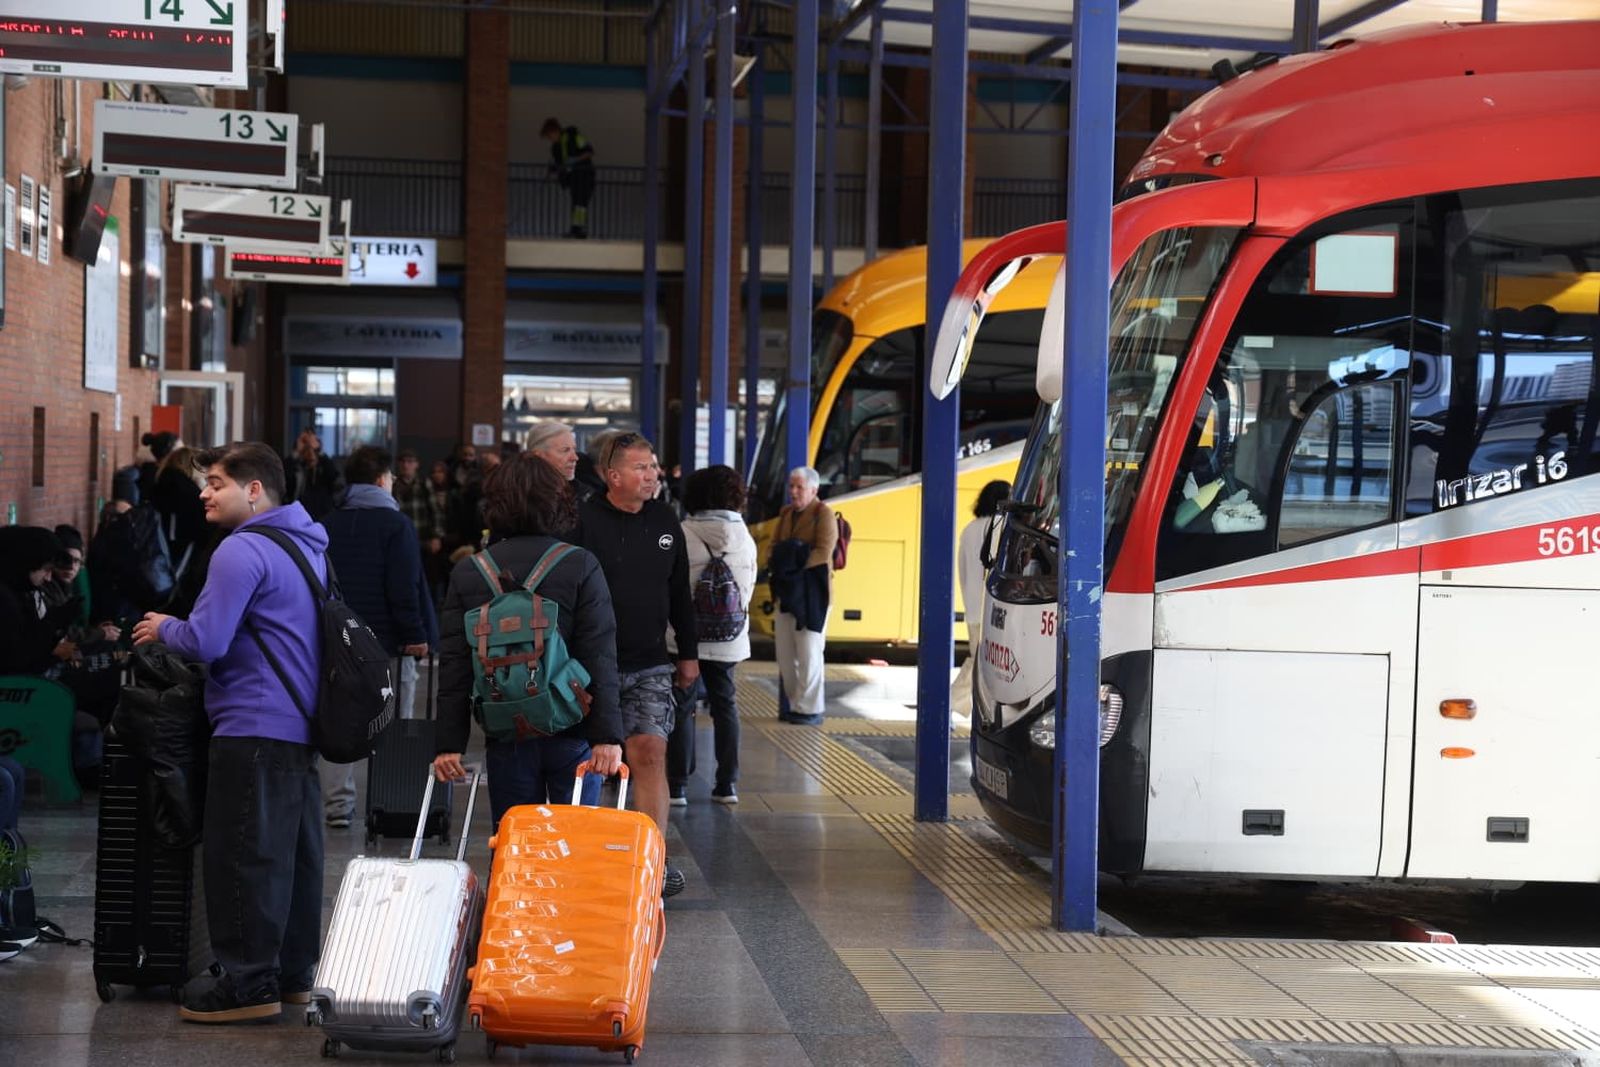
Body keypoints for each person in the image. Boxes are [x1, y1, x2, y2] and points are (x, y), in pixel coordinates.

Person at [132, 441, 328, 1024]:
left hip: (252, 720)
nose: (203, 493)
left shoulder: (240, 550)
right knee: (293, 855)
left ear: (254, 490)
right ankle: (292, 974)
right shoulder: (307, 542)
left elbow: (207, 641)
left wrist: (165, 625)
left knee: (242, 855)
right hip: (300, 721)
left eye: (215, 483)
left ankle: (246, 982)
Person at [432, 453, 623, 826]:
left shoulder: (470, 571)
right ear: (557, 502)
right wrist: (608, 737)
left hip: (507, 730)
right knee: (577, 845)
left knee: (515, 846)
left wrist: (448, 744)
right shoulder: (580, 564)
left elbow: (454, 666)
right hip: (574, 727)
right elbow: (600, 655)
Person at [575, 433, 697, 898]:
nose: (653, 475)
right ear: (614, 476)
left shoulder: (666, 520)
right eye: (642, 468)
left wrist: (688, 653)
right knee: (589, 762)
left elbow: (679, 593)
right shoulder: (583, 521)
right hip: (590, 664)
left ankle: (652, 862)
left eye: (654, 466)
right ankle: (585, 859)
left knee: (649, 753)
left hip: (650, 661)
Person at [318, 447, 436, 830]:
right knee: (391, 719)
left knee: (339, 716)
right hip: (385, 642)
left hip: (337, 640)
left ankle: (338, 806)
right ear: (383, 479)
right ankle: (387, 799)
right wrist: (415, 634)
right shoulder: (395, 524)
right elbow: (404, 586)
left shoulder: (329, 522)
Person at [666, 465, 756, 805]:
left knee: (682, 706)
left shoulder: (682, 532)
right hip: (729, 636)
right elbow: (746, 589)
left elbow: (670, 587)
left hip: (685, 636)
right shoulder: (745, 537)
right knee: (725, 704)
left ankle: (677, 786)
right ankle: (727, 784)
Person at [767, 466, 837, 725]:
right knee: (785, 653)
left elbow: (824, 551)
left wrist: (792, 565)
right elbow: (774, 546)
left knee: (809, 652)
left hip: (813, 595)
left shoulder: (824, 514)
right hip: (787, 593)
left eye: (799, 487)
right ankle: (796, 703)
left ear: (813, 490)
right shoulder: (785, 514)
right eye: (791, 486)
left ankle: (809, 709)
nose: (793, 492)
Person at [951, 480, 1010, 715]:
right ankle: (950, 703)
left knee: (978, 660)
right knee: (981, 664)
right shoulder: (1000, 526)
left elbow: (963, 569)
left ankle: (958, 706)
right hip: (992, 610)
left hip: (973, 609)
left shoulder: (970, 528)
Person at [541, 116, 595, 239]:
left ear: (555, 131)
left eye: (550, 136)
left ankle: (579, 230)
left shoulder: (573, 135)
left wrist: (576, 159)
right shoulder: (555, 148)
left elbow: (589, 151)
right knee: (576, 203)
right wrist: (553, 170)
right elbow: (560, 165)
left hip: (585, 175)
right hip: (573, 178)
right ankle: (576, 229)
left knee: (580, 204)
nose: (550, 140)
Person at [284, 430, 341, 521]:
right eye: (307, 449)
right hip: (298, 517)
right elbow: (284, 479)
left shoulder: (324, 467)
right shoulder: (296, 468)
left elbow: (334, 477)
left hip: (324, 518)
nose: (311, 454)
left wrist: (319, 450)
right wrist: (296, 452)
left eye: (314, 450)